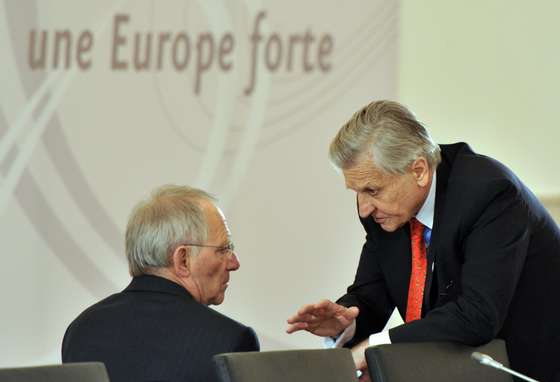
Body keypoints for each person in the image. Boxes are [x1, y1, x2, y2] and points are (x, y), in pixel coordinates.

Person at [286, 100, 560, 381]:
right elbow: (371, 295)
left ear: (419, 170)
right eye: (357, 191)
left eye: (372, 190)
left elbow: (477, 316)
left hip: (531, 369)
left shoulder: (489, 193)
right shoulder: (383, 213)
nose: (364, 207)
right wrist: (347, 322)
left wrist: (375, 347)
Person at [62, 185, 259, 382]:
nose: (234, 263)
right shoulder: (230, 341)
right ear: (183, 260)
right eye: (224, 249)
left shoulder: (81, 330)